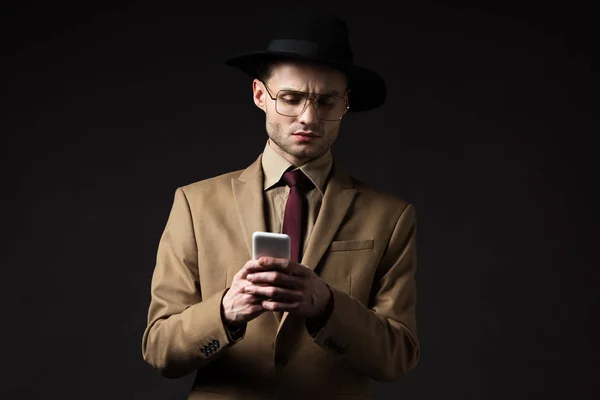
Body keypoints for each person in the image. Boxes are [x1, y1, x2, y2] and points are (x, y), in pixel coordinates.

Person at [141, 8, 419, 400]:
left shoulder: (390, 216)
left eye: (327, 102)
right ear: (260, 95)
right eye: (290, 98)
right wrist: (225, 312)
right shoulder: (194, 203)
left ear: (346, 103)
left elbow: (398, 358)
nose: (309, 117)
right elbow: (159, 350)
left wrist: (327, 306)